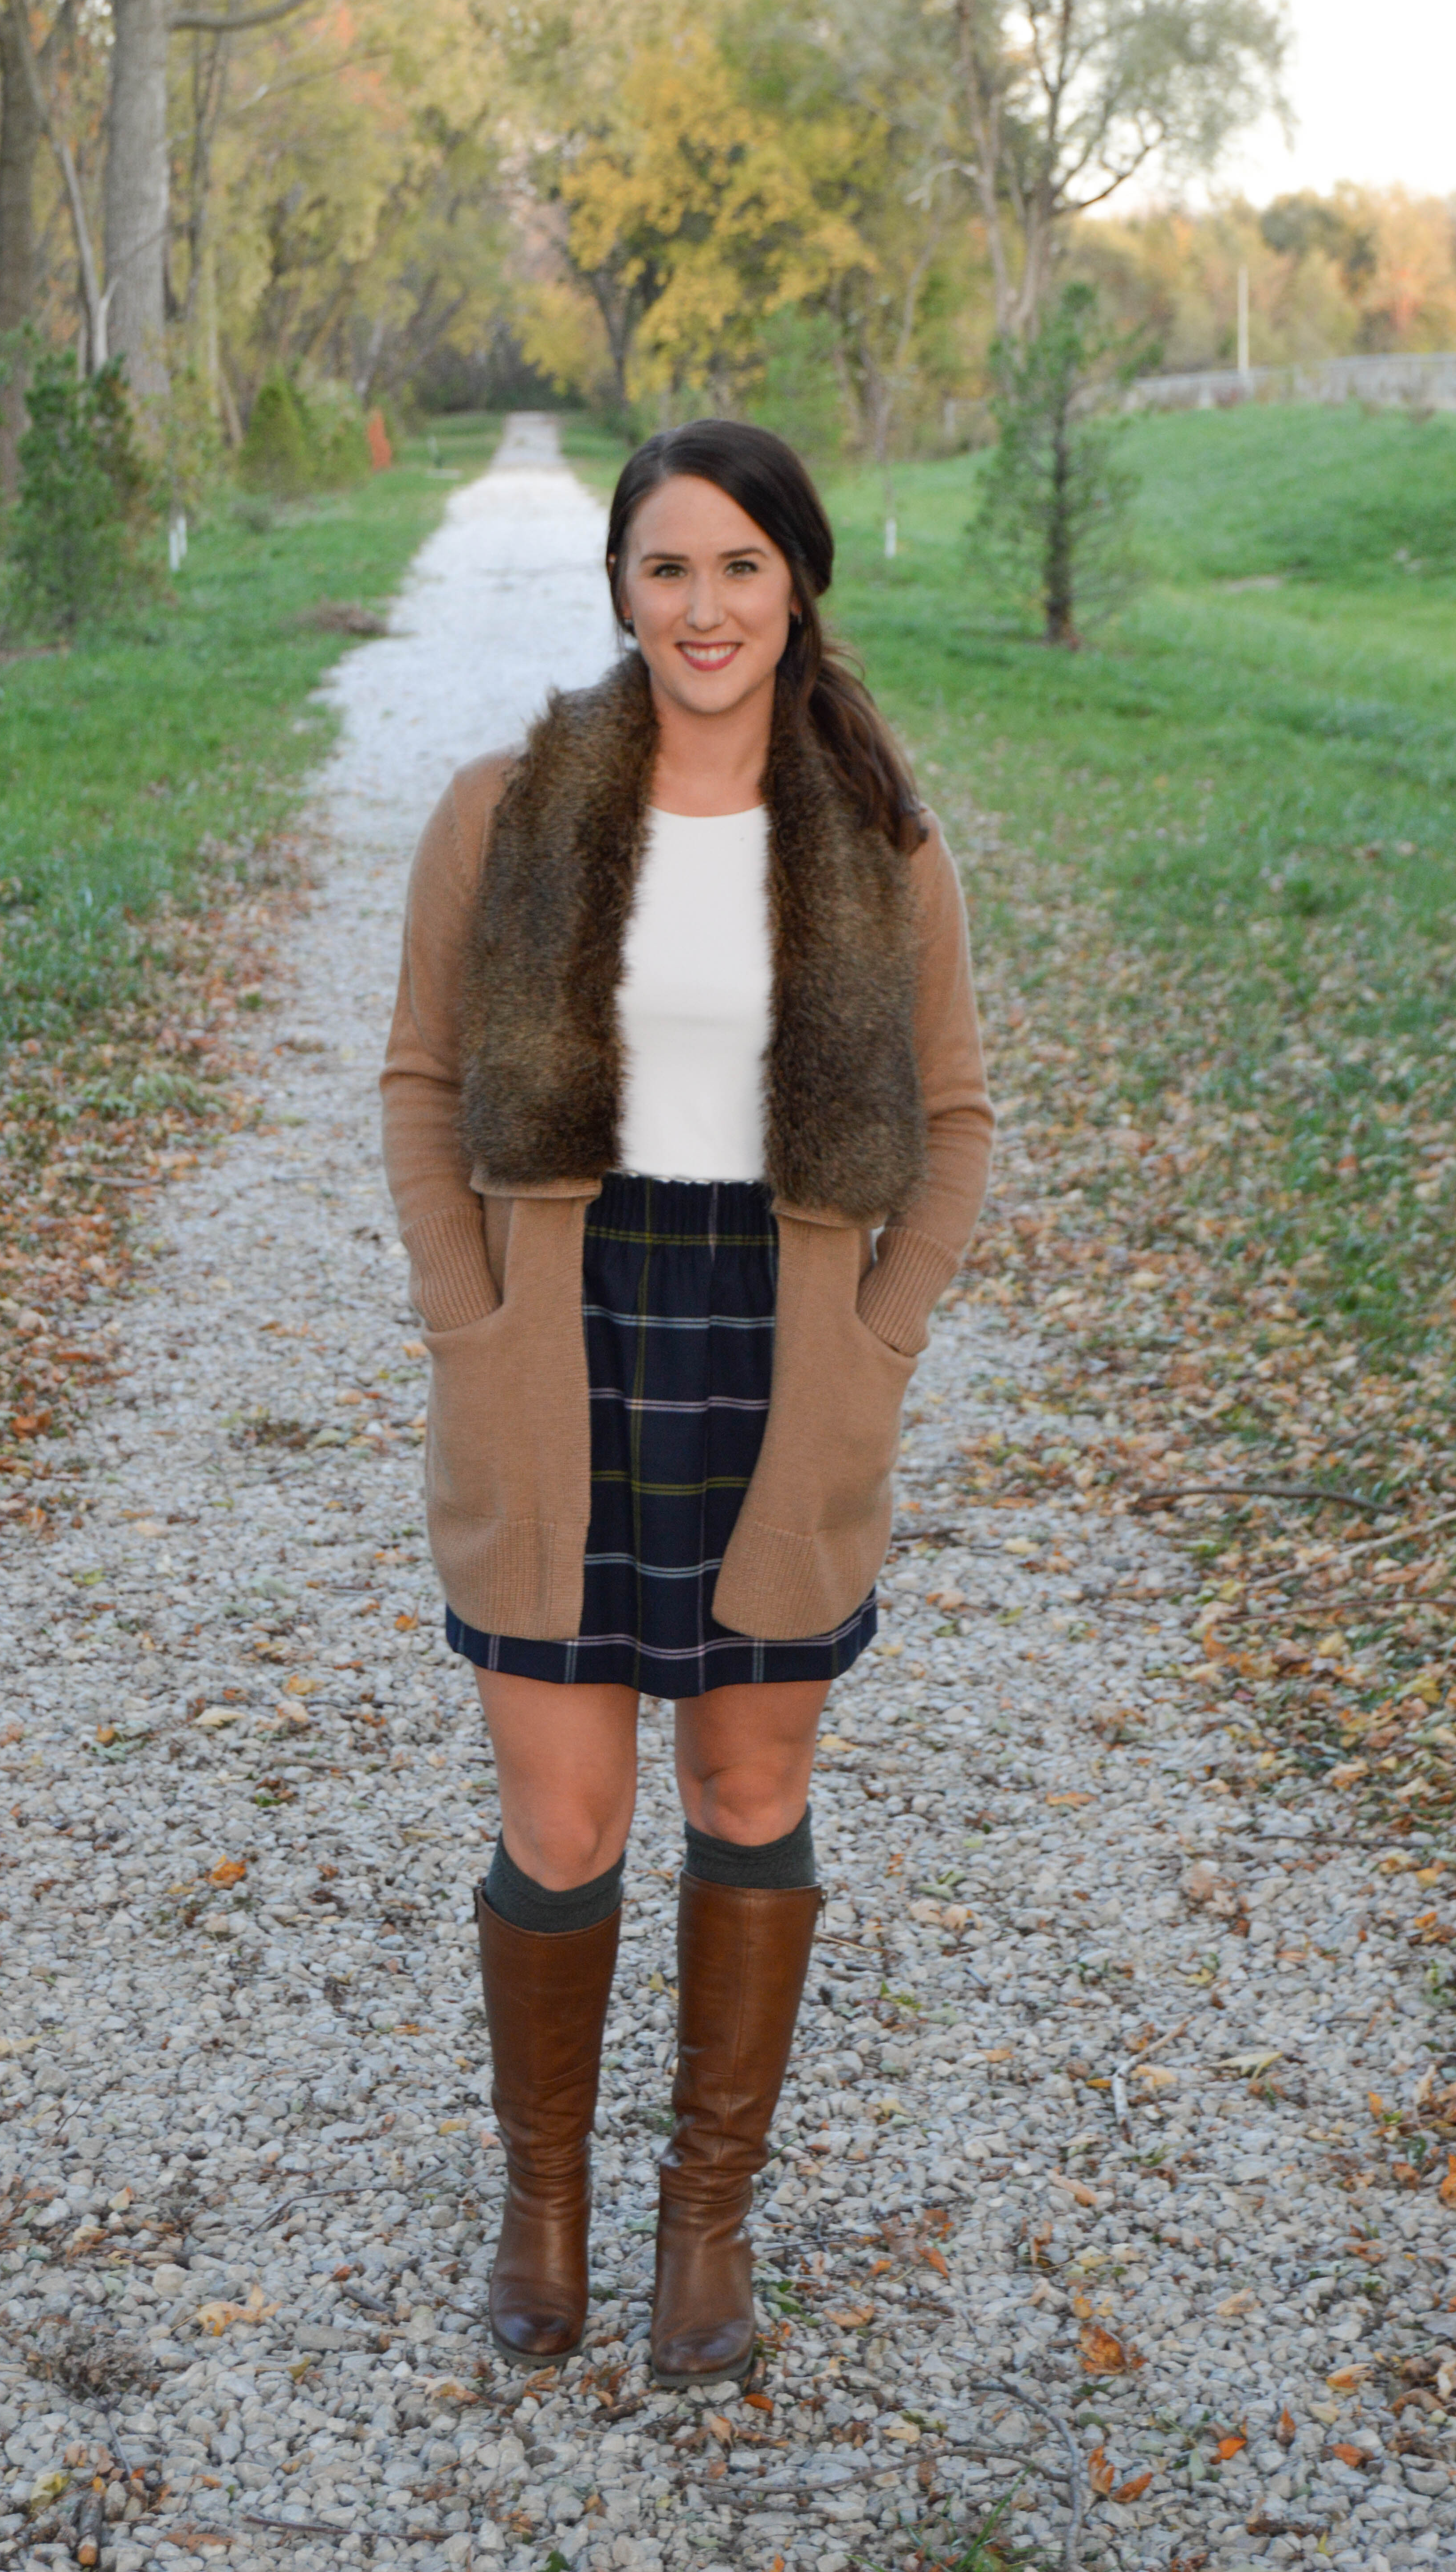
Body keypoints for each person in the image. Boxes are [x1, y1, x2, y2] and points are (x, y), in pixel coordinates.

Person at [380, 418, 992, 2386]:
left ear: (796, 582)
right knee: (561, 1819)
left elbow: (957, 1128)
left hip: (777, 1346)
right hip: (559, 1341)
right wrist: (467, 1312)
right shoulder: (508, 809)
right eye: (667, 568)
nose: (704, 605)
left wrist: (877, 1346)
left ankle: (704, 2224)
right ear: (622, 590)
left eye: (740, 566)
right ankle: (542, 2205)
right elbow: (413, 1084)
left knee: (749, 1788)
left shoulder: (883, 846)